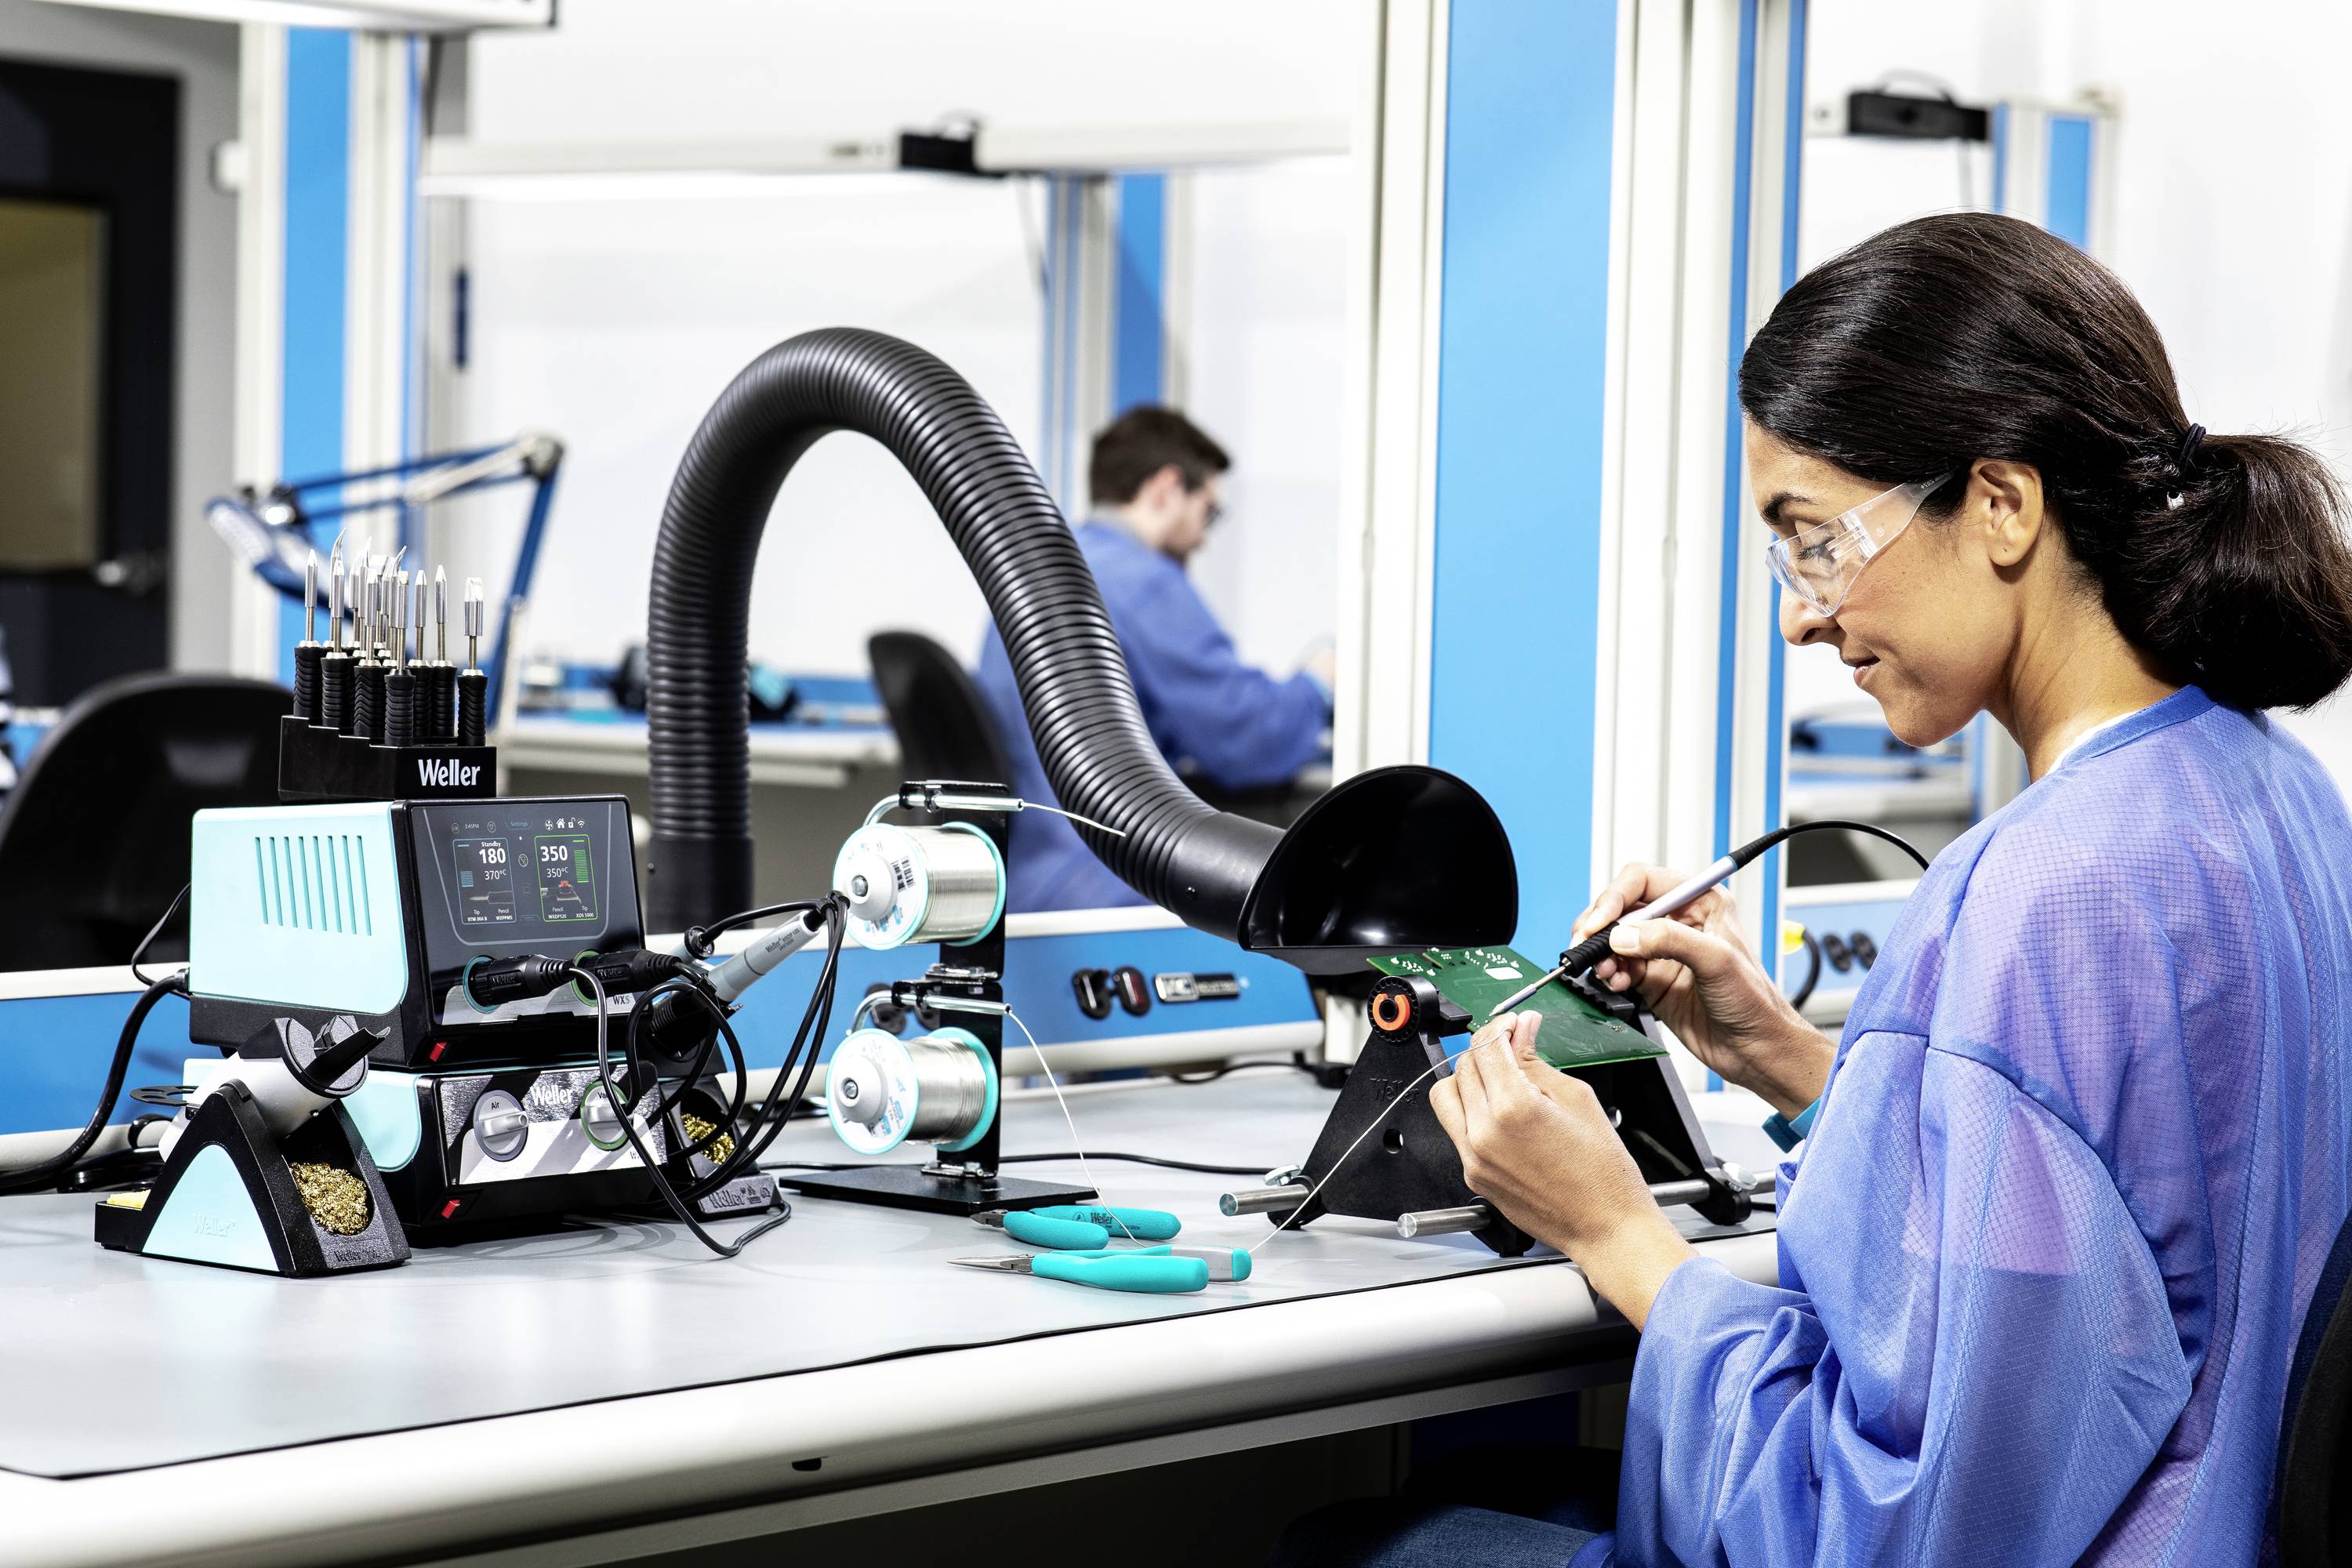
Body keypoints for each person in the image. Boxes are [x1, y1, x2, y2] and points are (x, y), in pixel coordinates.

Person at [1275, 212, 2352, 1566]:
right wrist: (1792, 1061)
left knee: (1354, 1545)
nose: (1800, 609)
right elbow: (2124, 1239)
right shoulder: (2276, 795)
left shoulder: (2036, 900)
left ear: (2003, 507)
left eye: (1817, 537)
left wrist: (1616, 1236)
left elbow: (1892, 1529)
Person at [976, 407, 1334, 911]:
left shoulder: (1038, 567)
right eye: (1208, 511)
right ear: (1166, 489)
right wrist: (1319, 683)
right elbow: (1249, 737)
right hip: (1102, 883)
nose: (1205, 538)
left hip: (1028, 879)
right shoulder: (1139, 581)